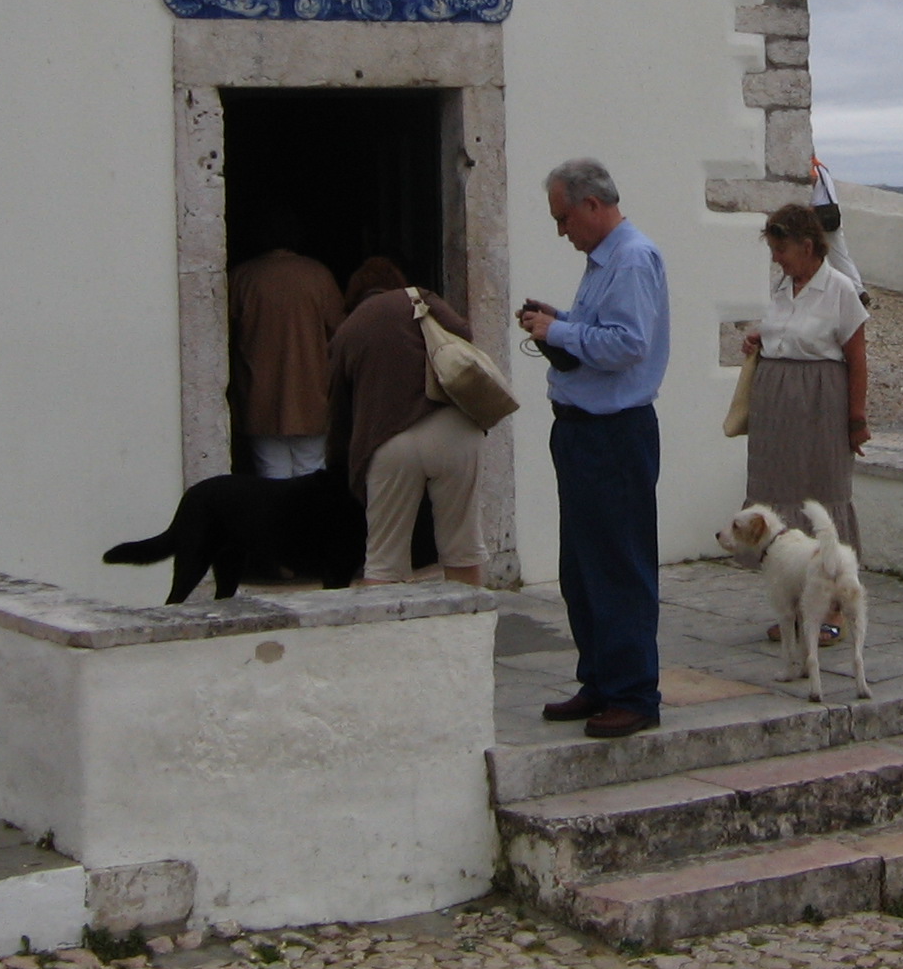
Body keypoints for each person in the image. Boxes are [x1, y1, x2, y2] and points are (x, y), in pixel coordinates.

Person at [519, 159, 670, 740]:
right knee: (583, 566)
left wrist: (557, 331)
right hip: (584, 432)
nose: (562, 232)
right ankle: (602, 679)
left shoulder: (631, 258)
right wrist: (557, 321)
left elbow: (628, 344)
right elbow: (602, 333)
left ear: (591, 205)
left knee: (618, 563)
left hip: (614, 435)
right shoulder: (605, 260)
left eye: (563, 219)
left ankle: (634, 693)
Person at [743, 203, 872, 640]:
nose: (777, 258)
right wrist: (761, 338)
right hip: (776, 413)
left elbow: (857, 359)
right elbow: (788, 335)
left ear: (808, 245)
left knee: (823, 499)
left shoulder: (840, 290)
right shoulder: (784, 287)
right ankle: (798, 609)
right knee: (783, 502)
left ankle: (832, 610)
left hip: (819, 408)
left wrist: (856, 419)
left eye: (781, 250)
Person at [329, 257, 486, 586]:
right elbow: (464, 334)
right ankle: (469, 617)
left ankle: (386, 620)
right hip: (454, 430)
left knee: (384, 561)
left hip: (389, 442)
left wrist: (343, 467)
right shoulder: (419, 298)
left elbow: (339, 414)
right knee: (462, 549)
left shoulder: (346, 331)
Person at [227, 217, 345, 478]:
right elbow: (340, 333)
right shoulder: (318, 275)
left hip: (260, 399)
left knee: (271, 472)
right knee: (312, 471)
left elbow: (225, 337)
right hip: (312, 396)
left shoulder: (242, 278)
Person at [807, 154, 864, 298]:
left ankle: (852, 291)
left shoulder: (811, 168)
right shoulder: (822, 168)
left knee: (815, 254)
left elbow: (812, 181)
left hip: (818, 215)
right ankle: (858, 290)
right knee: (841, 255)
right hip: (833, 212)